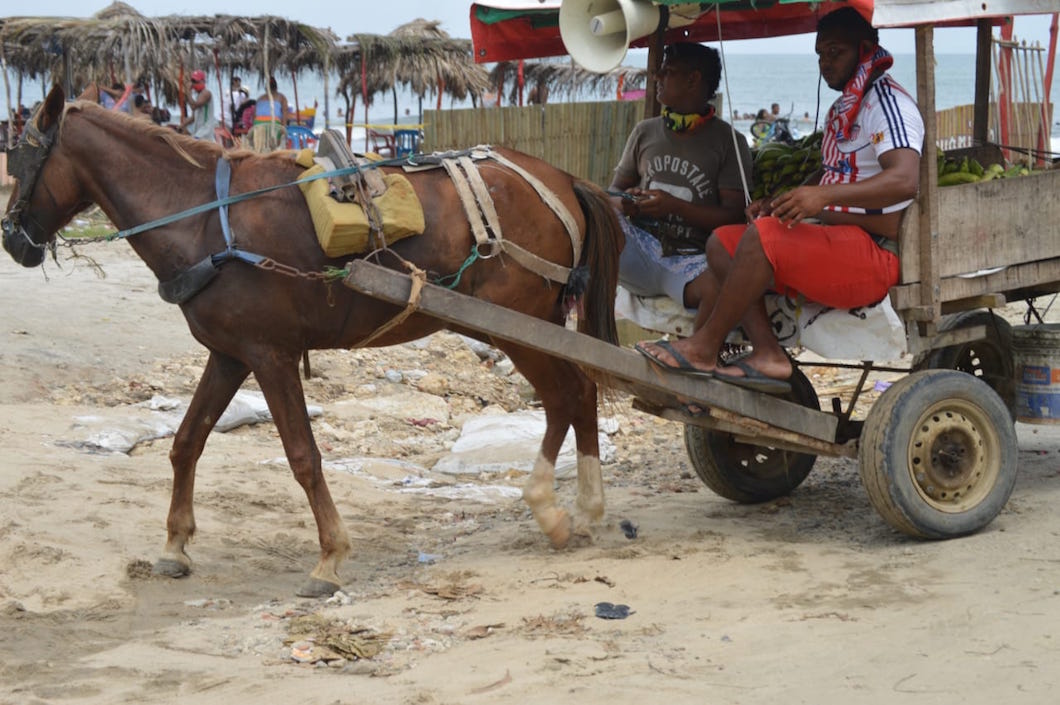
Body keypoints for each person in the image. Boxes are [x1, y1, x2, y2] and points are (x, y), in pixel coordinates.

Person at [636, 7, 923, 393]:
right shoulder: (844, 108)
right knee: (722, 242)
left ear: (866, 48)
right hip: (833, 237)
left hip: (872, 251)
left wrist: (820, 198)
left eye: (835, 52)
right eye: (820, 54)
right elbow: (833, 173)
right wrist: (781, 201)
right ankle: (769, 353)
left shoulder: (887, 103)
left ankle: (704, 347)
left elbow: (905, 180)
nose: (825, 63)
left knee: (763, 237)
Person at [609, 42, 752, 311]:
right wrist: (626, 202)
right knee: (589, 215)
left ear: (693, 80)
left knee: (724, 287)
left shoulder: (729, 141)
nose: (657, 77)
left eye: (668, 71)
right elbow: (612, 193)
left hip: (693, 262)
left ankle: (695, 351)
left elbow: (735, 215)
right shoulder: (645, 132)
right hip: (640, 251)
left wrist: (675, 207)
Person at [248, 76, 289, 152]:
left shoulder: (260, 98)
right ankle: (275, 150)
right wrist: (284, 129)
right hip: (274, 123)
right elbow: (285, 114)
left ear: (266, 88)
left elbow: (254, 116)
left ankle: (259, 149)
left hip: (258, 124)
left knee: (259, 145)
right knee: (279, 139)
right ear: (276, 87)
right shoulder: (282, 97)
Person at [179, 70, 217, 140]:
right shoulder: (198, 96)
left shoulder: (206, 93)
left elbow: (193, 107)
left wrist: (188, 92)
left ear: (203, 81)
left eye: (196, 82)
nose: (194, 84)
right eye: (193, 81)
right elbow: (193, 117)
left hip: (205, 132)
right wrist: (181, 126)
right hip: (199, 132)